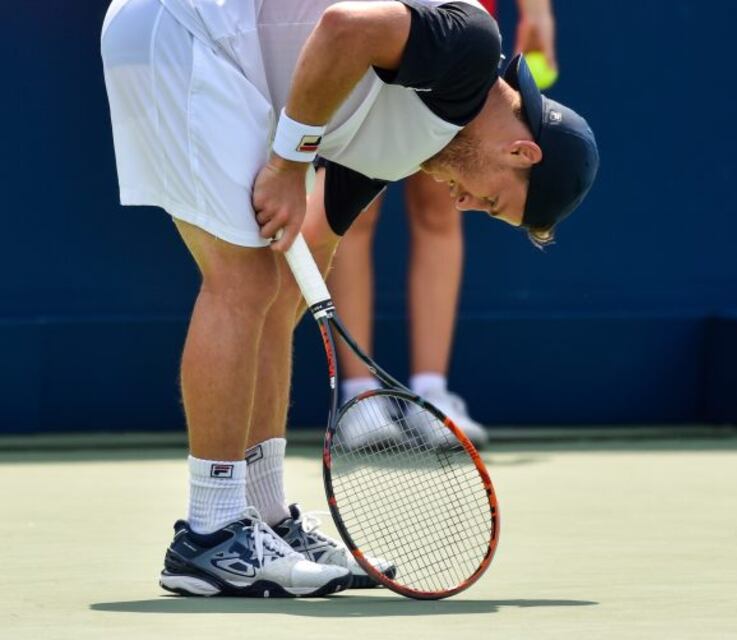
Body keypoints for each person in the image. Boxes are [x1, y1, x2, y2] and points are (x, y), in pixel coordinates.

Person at [101, 0, 597, 598]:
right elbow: (346, 27)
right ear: (522, 154)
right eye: (490, 201)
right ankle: (210, 533)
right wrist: (287, 164)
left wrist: (294, 238)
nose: (463, 205)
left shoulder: (402, 144)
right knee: (244, 281)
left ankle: (264, 518)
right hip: (183, 30)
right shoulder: (468, 41)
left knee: (272, 294)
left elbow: (309, 255)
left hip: (205, 53)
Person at [326, 0, 558, 449]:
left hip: (452, 16)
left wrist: (539, 12)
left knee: (443, 202)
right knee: (354, 208)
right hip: (375, 15)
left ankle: (431, 392)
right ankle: (359, 396)